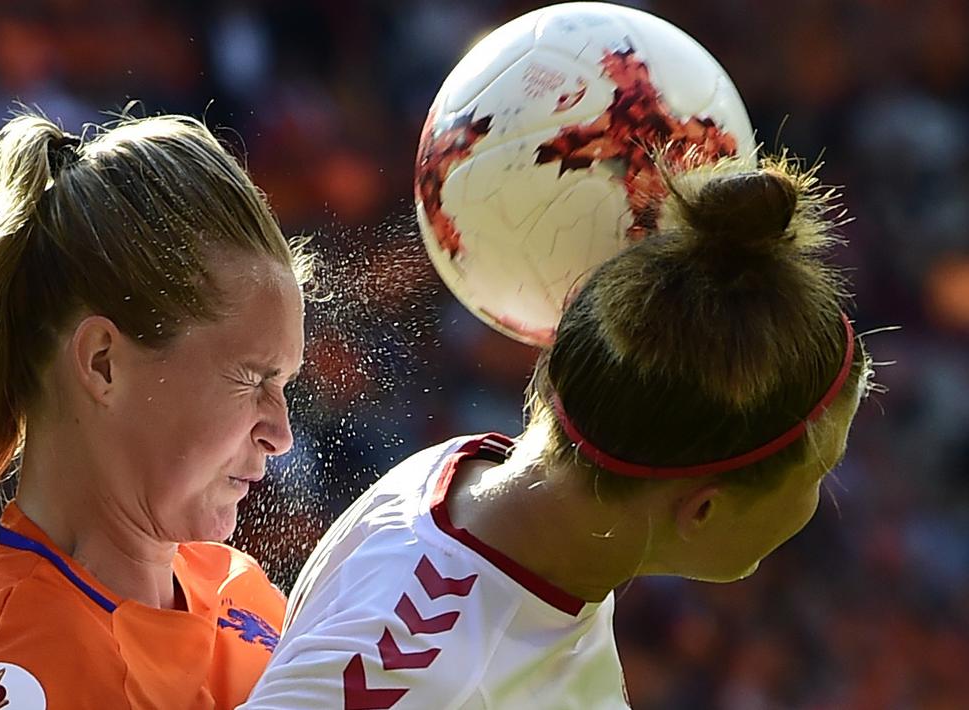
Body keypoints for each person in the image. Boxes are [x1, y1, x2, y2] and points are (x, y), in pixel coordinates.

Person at [241, 159, 871, 709]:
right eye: (820, 472)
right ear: (703, 508)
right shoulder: (425, 677)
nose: (821, 501)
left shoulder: (486, 493)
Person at [0, 112, 310, 710]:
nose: (281, 434)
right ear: (102, 364)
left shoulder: (239, 589)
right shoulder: (15, 662)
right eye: (251, 379)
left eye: (284, 385)